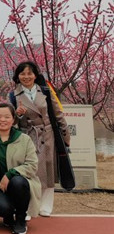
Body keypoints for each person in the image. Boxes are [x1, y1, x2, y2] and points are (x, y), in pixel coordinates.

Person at [10, 61, 69, 217]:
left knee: (49, 169)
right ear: (17, 76)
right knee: (30, 170)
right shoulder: (13, 95)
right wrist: (18, 114)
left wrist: (65, 136)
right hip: (27, 135)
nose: (26, 77)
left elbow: (58, 113)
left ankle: (46, 205)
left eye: (30, 73)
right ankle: (28, 206)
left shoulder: (45, 90)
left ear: (35, 75)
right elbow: (9, 120)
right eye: (22, 73)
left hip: (47, 134)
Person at [0, 103, 41, 234]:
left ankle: (21, 219)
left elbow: (32, 165)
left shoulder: (24, 139)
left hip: (20, 185)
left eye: (7, 117)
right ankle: (8, 215)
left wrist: (9, 174)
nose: (2, 120)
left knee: (17, 181)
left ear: (13, 119)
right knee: (3, 208)